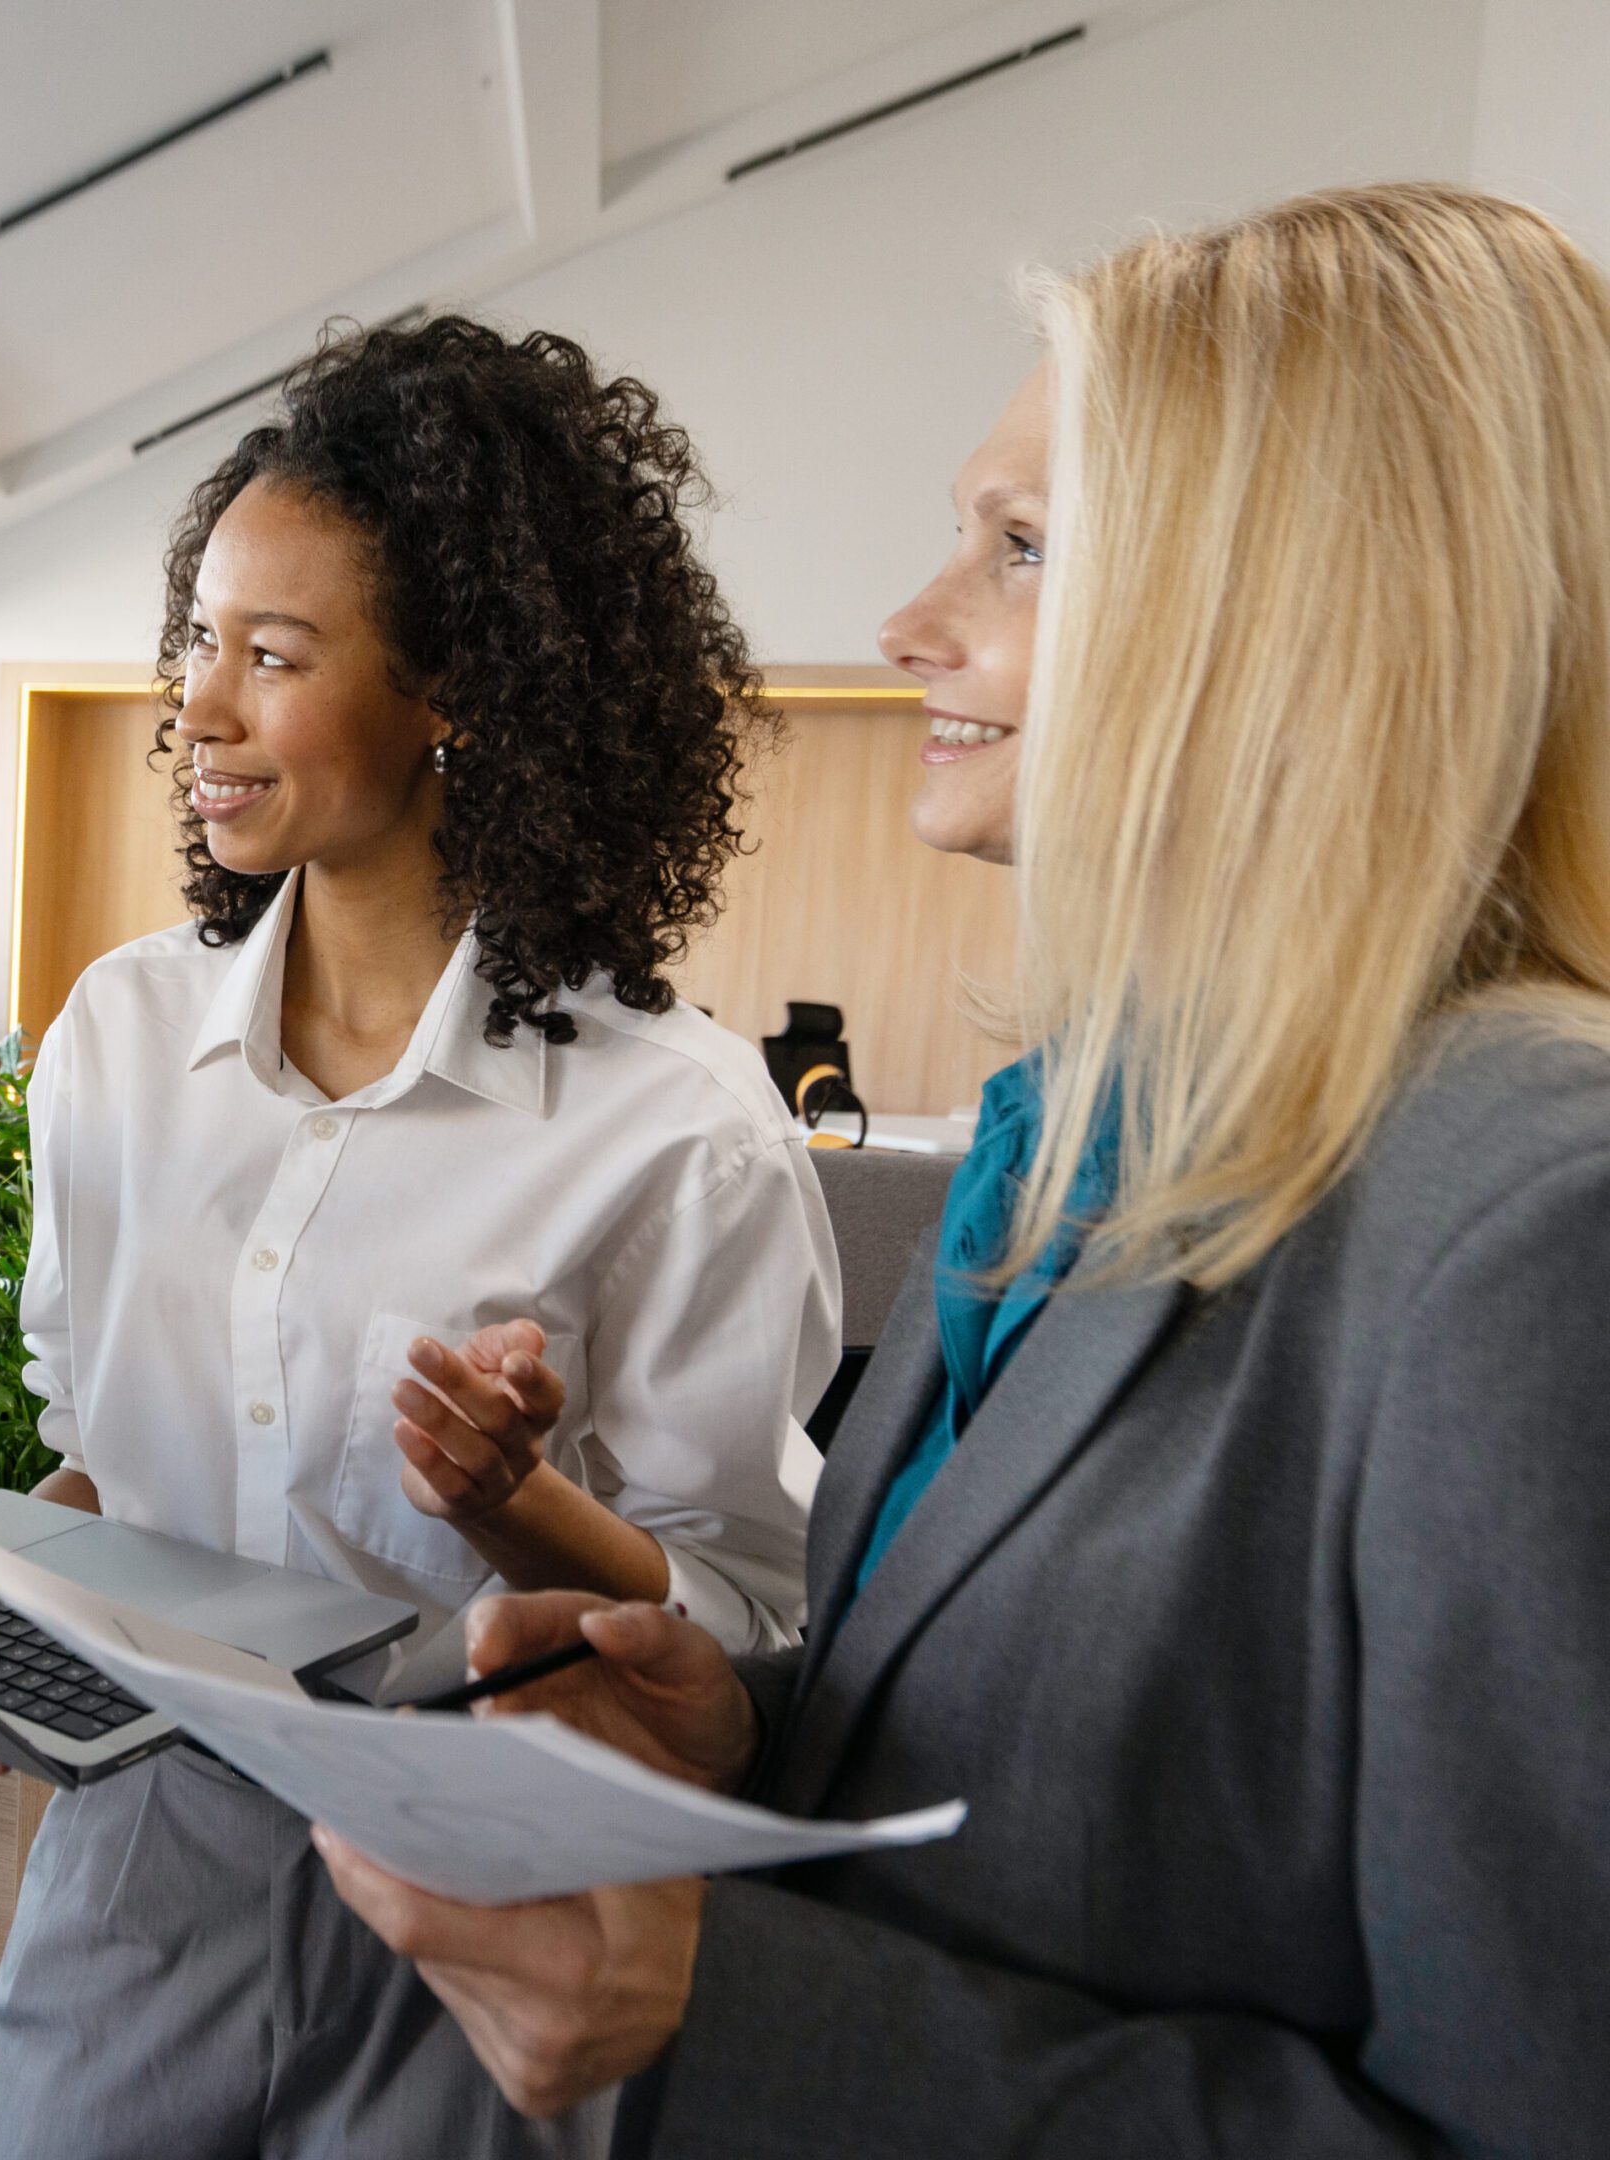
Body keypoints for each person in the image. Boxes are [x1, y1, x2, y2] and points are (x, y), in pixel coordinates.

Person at [311, 181, 1610, 2157]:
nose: (912, 626)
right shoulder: (1091, 1121)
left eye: (1017, 551)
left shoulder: (1537, 1222)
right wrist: (753, 1739)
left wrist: (726, 2009)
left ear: (1299, 616)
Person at [0, 319, 838, 2158]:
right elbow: (106, 1481)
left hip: (489, 1906)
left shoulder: (681, 1130)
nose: (198, 709)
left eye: (273, 656)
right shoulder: (126, 1041)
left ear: (455, 685)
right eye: (196, 647)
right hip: (139, 1858)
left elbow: (744, 1636)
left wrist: (515, 1508)